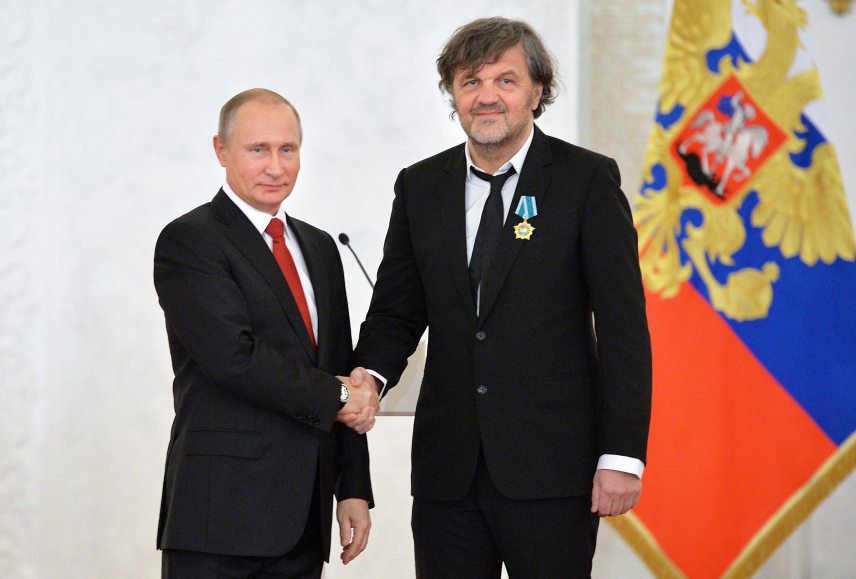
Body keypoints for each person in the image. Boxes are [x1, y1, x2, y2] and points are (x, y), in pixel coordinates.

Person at [350, 17, 652, 578]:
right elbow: (396, 310)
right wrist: (370, 375)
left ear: (537, 92)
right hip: (448, 474)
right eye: (470, 82)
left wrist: (622, 455)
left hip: (553, 472)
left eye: (505, 81)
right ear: (454, 95)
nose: (486, 96)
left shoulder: (585, 181)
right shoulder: (420, 187)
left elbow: (622, 329)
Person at [154, 88, 377, 578]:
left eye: (288, 149)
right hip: (220, 517)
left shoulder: (319, 248)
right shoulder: (191, 240)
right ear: (221, 150)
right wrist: (342, 393)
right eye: (258, 150)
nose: (275, 167)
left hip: (303, 519)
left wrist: (353, 487)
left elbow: (338, 367)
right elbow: (233, 358)